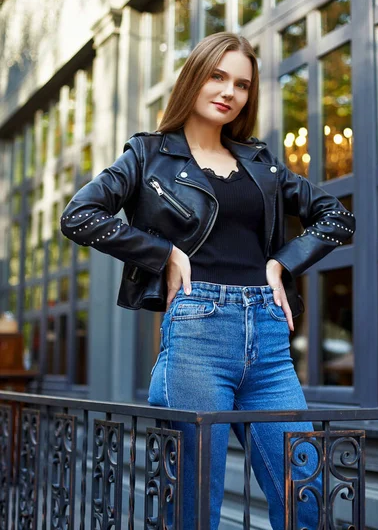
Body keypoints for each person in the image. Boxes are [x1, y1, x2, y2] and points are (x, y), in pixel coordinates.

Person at [60, 32, 355, 528]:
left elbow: (336, 218)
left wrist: (283, 262)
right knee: (196, 506)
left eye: (241, 84)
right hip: (197, 333)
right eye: (217, 76)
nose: (229, 92)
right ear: (194, 77)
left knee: (306, 492)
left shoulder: (260, 164)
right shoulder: (148, 155)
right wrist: (163, 253)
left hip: (268, 336)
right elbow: (80, 215)